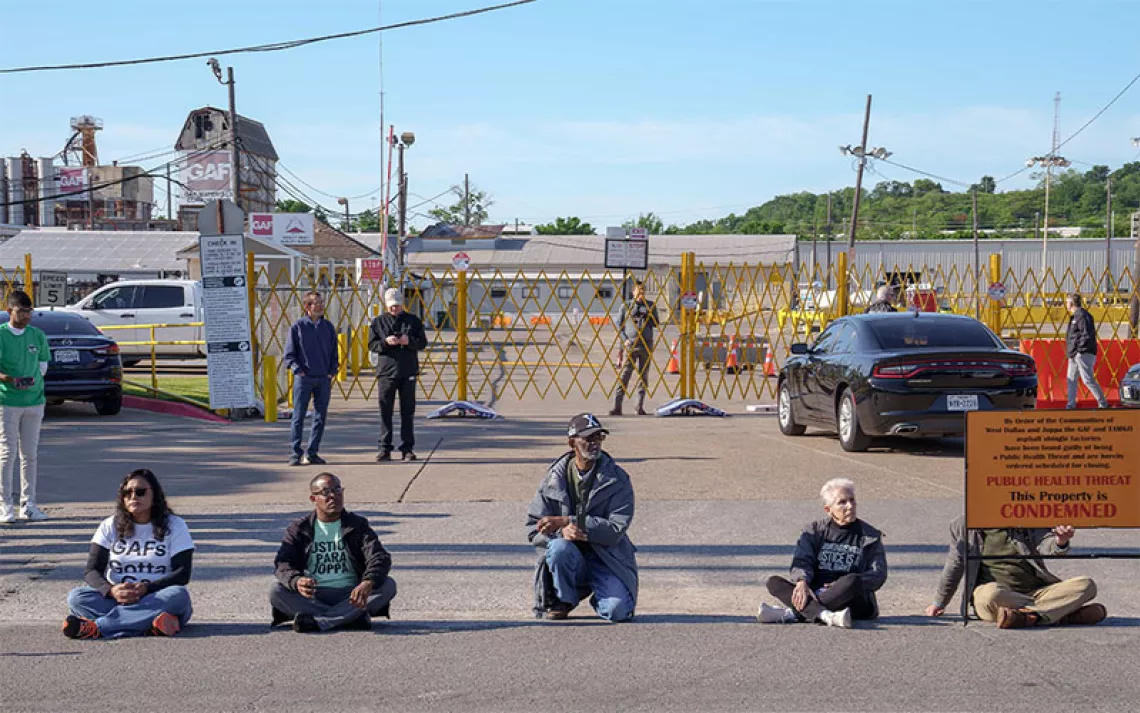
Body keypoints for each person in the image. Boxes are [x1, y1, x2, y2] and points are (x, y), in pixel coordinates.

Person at [526, 413, 637, 622]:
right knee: (560, 548)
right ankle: (566, 597)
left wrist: (570, 522)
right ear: (572, 443)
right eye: (587, 438)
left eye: (598, 438)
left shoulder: (617, 479)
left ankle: (601, 593)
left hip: (607, 558)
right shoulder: (553, 479)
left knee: (618, 612)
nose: (594, 443)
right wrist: (561, 532)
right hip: (569, 559)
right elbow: (533, 528)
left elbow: (616, 529)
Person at [63, 469, 195, 639]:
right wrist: (111, 591)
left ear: (155, 495)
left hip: (156, 597)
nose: (133, 497)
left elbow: (182, 573)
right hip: (117, 598)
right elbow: (91, 571)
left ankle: (99, 627)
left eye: (140, 492)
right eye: (127, 493)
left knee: (178, 596)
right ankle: (150, 624)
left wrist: (147, 588)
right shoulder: (109, 525)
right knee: (77, 598)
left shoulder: (175, 525)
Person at [270, 472, 397, 632]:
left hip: (351, 594)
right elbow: (282, 563)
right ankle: (349, 618)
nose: (333, 496)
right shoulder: (299, 529)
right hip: (313, 595)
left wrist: (368, 581)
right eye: (325, 492)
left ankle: (320, 621)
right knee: (276, 591)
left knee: (387, 585)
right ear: (313, 499)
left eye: (337, 490)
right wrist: (296, 581)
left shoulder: (357, 525)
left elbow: (379, 557)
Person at [926, 518, 1106, 628]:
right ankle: (1062, 614)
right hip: (999, 596)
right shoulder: (963, 524)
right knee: (987, 597)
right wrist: (939, 602)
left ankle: (1030, 617)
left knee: (1086, 585)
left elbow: (1046, 545)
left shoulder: (1025, 517)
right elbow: (954, 565)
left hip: (1035, 591)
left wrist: (1061, 541)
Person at [758, 478, 887, 628]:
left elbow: (878, 574)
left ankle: (792, 614)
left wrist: (840, 585)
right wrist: (802, 582)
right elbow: (802, 560)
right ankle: (827, 616)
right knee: (774, 582)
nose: (850, 506)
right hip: (815, 590)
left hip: (853, 599)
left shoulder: (869, 535)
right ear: (828, 509)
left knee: (852, 580)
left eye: (852, 500)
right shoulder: (814, 531)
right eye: (842, 502)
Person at [0, 290, 51, 524]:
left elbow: (42, 366)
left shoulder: (37, 335)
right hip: (7, 402)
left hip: (34, 402)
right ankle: (5, 506)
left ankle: (28, 504)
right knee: (7, 454)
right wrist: (9, 380)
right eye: (22, 311)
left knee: (29, 455)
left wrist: (31, 382)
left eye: (30, 311)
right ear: (10, 311)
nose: (27, 316)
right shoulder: (1, 335)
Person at [368, 287, 427, 462]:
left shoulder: (413, 321)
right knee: (385, 410)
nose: (395, 309)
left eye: (397, 306)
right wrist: (386, 343)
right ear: (386, 305)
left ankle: (407, 448)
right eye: (392, 306)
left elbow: (422, 343)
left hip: (407, 370)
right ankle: (384, 448)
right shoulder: (378, 322)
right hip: (387, 372)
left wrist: (409, 342)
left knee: (407, 411)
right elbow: (372, 344)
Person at [283, 290, 339, 466]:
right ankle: (295, 452)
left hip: (323, 377)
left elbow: (334, 352)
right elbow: (289, 355)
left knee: (320, 416)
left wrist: (332, 371)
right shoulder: (298, 327)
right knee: (298, 416)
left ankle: (313, 452)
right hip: (304, 378)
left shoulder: (328, 327)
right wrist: (298, 370)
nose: (321, 306)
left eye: (322, 302)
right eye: (317, 303)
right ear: (307, 306)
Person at [610, 280, 659, 416]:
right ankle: (617, 407)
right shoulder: (626, 306)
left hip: (646, 344)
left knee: (643, 376)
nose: (641, 293)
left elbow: (656, 323)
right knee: (625, 375)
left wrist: (649, 313)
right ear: (633, 292)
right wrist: (624, 340)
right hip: (631, 345)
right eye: (638, 290)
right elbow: (618, 325)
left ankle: (639, 406)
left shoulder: (650, 305)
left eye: (643, 290)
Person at [1065, 292, 1109, 409]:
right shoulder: (1076, 316)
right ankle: (1070, 404)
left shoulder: (1082, 316)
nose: (1066, 304)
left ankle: (1103, 403)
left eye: (1067, 302)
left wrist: (1079, 350)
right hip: (1075, 353)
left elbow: (1087, 335)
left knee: (1087, 379)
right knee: (1071, 379)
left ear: (1071, 303)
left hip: (1082, 353)